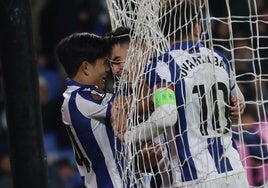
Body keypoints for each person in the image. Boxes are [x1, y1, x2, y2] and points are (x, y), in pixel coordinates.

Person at [116, 0, 248, 187]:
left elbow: (166, 116)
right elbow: (239, 101)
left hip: (195, 177)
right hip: (235, 172)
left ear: (163, 32)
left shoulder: (162, 66)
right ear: (196, 27)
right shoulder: (218, 57)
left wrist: (128, 136)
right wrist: (237, 106)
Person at [56, 32, 123, 187]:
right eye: (104, 63)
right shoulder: (77, 99)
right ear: (86, 67)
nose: (108, 69)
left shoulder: (86, 95)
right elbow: (129, 106)